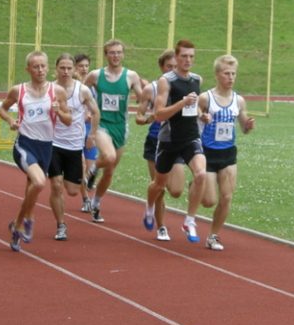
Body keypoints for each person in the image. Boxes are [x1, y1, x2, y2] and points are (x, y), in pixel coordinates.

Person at [0, 50, 71, 252]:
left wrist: (59, 111)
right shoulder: (18, 90)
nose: (40, 70)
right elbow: (2, 109)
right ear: (28, 69)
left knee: (32, 187)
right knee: (39, 182)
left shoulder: (57, 92)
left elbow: (68, 120)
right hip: (24, 145)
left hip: (46, 147)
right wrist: (11, 120)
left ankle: (19, 225)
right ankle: (23, 222)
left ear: (48, 68)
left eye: (43, 66)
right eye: (36, 66)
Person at [142, 39, 207, 243]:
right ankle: (149, 208)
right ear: (177, 57)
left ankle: (189, 220)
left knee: (201, 174)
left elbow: (194, 107)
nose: (188, 60)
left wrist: (201, 114)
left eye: (191, 56)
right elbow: (159, 114)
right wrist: (182, 103)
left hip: (190, 137)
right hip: (169, 140)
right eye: (184, 56)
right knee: (159, 184)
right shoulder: (166, 81)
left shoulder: (196, 80)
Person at [197, 55, 255, 251]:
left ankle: (213, 236)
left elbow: (244, 127)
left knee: (227, 197)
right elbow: (194, 115)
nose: (231, 78)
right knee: (208, 201)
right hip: (207, 152)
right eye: (226, 73)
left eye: (233, 74)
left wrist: (248, 125)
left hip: (228, 153)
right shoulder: (206, 98)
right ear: (217, 75)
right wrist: (201, 117)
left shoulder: (238, 101)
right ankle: (196, 185)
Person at [83, 39, 142, 223]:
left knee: (109, 172)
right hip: (102, 124)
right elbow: (81, 92)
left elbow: (142, 97)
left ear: (123, 54)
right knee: (109, 157)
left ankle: (96, 203)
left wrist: (148, 96)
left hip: (121, 127)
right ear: (106, 55)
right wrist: (86, 110)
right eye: (112, 52)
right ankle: (92, 170)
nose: (115, 56)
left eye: (118, 52)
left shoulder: (131, 76)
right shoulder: (95, 75)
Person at [135, 49, 186, 241]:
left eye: (175, 66)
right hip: (156, 141)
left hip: (177, 141)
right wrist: (148, 118)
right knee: (160, 187)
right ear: (161, 67)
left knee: (177, 190)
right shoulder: (152, 89)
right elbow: (139, 116)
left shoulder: (186, 86)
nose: (172, 70)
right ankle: (161, 226)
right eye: (168, 66)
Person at [49, 53, 99, 240]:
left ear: (74, 69)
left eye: (69, 68)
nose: (65, 71)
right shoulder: (49, 89)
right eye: (62, 68)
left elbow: (96, 112)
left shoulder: (82, 90)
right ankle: (61, 225)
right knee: (56, 185)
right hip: (53, 143)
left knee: (72, 190)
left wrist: (92, 134)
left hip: (74, 145)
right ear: (56, 68)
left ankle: (77, 186)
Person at [74, 53, 97, 213]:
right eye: (81, 66)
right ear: (75, 67)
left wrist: (92, 118)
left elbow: (97, 109)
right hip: (74, 131)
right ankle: (86, 199)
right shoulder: (71, 86)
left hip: (89, 129)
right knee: (80, 167)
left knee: (90, 168)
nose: (84, 69)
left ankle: (88, 181)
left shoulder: (93, 87)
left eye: (86, 66)